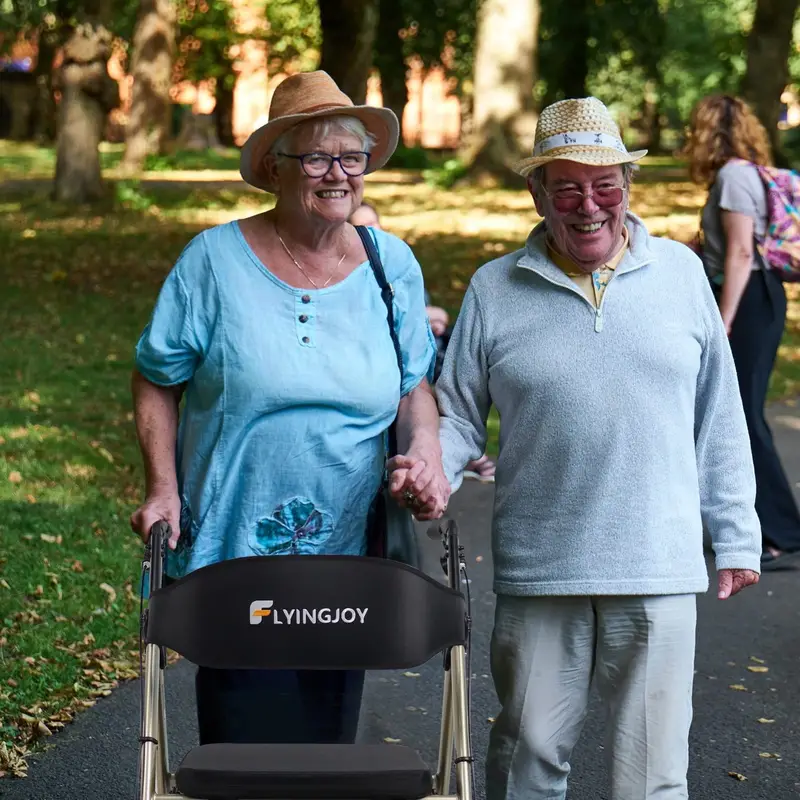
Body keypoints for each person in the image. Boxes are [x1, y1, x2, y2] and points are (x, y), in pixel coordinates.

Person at [398, 97, 762, 799]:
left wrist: (737, 535)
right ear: (537, 193)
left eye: (604, 185)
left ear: (628, 187)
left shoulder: (683, 277)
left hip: (657, 559)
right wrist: (430, 463)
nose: (587, 204)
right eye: (565, 186)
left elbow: (719, 414)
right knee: (528, 753)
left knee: (652, 773)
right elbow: (461, 413)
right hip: (543, 564)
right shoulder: (495, 288)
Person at [129, 70, 449, 747]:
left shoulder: (392, 264)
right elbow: (156, 375)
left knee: (325, 748)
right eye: (317, 157)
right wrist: (162, 488)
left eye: (352, 157)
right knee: (246, 749)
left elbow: (412, 385)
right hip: (235, 552)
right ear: (276, 167)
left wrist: (425, 451)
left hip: (350, 557)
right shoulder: (212, 262)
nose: (339, 173)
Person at [685, 94, 800, 570]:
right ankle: (756, 526)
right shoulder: (739, 175)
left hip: (748, 299)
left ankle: (780, 534)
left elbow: (740, 254)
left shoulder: (733, 176)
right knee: (736, 414)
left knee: (745, 416)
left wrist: (724, 320)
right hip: (752, 296)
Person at [349, 201, 497, 482]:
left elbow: (425, 315)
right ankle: (459, 457)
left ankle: (452, 455)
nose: (370, 232)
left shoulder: (395, 267)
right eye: (360, 227)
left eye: (373, 224)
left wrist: (433, 318)